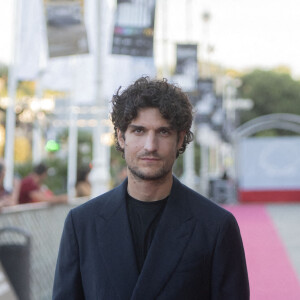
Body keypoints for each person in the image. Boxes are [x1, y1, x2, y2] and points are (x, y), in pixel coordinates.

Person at [53, 77, 249, 299]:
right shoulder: (82, 224)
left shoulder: (216, 226)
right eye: (139, 131)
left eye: (163, 132)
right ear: (121, 136)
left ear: (179, 139)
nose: (150, 146)